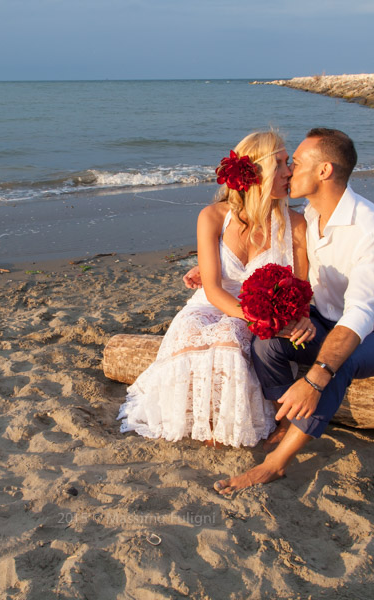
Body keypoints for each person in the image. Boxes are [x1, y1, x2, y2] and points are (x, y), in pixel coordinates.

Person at [187, 128, 374, 493]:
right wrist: (214, 269)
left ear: (323, 171)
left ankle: (276, 463)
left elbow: (359, 317)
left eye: (296, 162)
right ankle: (283, 413)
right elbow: (275, 254)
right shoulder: (308, 217)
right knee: (267, 345)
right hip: (321, 321)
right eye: (285, 163)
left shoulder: (372, 228)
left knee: (339, 361)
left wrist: (313, 379)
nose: (289, 169)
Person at [118, 130, 315, 447]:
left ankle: (230, 425)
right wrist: (257, 319)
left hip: (267, 315)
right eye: (279, 163)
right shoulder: (211, 217)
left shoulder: (296, 225)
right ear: (255, 172)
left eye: (288, 162)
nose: (289, 171)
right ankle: (201, 418)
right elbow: (212, 288)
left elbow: (303, 289)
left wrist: (297, 317)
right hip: (214, 304)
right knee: (190, 328)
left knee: (229, 337)